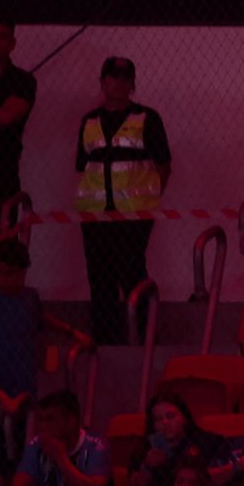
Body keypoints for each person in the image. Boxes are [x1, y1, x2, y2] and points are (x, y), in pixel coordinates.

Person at [74, 55, 169, 346]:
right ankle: (104, 339)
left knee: (131, 273)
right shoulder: (88, 121)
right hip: (95, 215)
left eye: (125, 77)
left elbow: (164, 165)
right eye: (113, 76)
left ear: (133, 84)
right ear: (102, 81)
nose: (118, 82)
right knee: (100, 276)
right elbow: (83, 167)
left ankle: (141, 335)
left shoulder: (147, 118)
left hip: (133, 216)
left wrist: (148, 201)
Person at [0, 18, 33, 218]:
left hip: (1, 177)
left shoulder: (21, 81)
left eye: (1, 37)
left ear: (12, 43)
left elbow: (8, 116)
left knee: (2, 243)